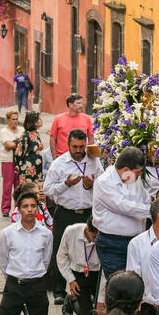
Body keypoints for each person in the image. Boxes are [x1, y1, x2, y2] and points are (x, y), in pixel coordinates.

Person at [43, 128, 101, 302]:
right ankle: (59, 291)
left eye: (81, 147)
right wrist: (65, 184)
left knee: (90, 249)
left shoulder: (94, 162)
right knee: (60, 250)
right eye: (75, 146)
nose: (78, 150)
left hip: (88, 214)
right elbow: (47, 189)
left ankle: (87, 289)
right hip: (65, 213)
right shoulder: (59, 163)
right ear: (68, 144)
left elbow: (104, 186)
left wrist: (92, 185)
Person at [0, 188, 52, 315]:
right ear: (19, 210)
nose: (30, 210)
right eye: (25, 206)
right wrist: (12, 277)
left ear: (37, 208)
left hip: (36, 284)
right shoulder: (8, 233)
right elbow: (3, 259)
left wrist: (35, 274)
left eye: (33, 206)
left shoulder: (46, 234)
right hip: (15, 284)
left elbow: (46, 259)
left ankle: (29, 312)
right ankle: (17, 307)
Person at [92, 147, 153, 281]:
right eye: (137, 172)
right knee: (120, 286)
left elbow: (145, 199)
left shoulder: (134, 180)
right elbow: (124, 207)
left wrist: (149, 206)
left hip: (137, 241)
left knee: (138, 285)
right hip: (113, 244)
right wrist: (152, 210)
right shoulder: (104, 182)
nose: (139, 176)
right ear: (126, 169)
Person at [59, 220, 101, 315]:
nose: (95, 241)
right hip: (79, 274)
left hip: (97, 274)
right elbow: (61, 258)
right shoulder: (71, 232)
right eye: (94, 237)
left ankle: (89, 298)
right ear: (87, 230)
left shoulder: (104, 236)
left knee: (101, 313)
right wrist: (71, 280)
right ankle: (70, 300)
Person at [12, 111, 46, 199]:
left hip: (37, 169)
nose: (41, 121)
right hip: (28, 170)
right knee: (27, 192)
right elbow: (18, 153)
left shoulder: (36, 134)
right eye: (39, 119)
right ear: (34, 122)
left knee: (36, 192)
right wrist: (20, 167)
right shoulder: (25, 136)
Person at [0, 109, 24, 216]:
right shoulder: (4, 131)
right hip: (8, 161)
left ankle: (18, 208)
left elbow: (20, 144)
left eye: (16, 119)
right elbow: (8, 146)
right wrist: (19, 141)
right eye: (13, 119)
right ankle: (5, 209)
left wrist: (15, 142)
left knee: (19, 186)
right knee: (7, 186)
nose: (15, 121)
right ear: (8, 120)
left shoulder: (21, 129)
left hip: (20, 161)